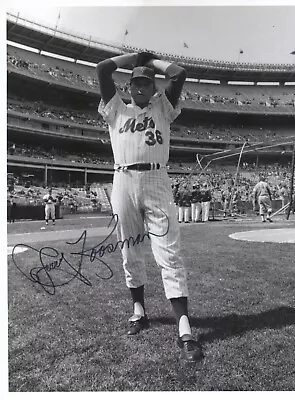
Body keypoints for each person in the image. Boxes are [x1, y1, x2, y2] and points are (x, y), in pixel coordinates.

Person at [97, 51, 203, 362]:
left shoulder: (162, 106)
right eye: (136, 82)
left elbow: (179, 73)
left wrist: (152, 61)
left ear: (154, 86)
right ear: (128, 86)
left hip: (157, 178)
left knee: (168, 250)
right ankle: (139, 311)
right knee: (129, 248)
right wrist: (134, 59)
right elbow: (103, 69)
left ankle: (184, 328)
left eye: (147, 82)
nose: (141, 87)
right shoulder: (116, 108)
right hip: (123, 179)